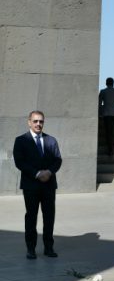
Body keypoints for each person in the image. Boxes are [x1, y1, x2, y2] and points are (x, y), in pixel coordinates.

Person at [13, 110, 62, 259]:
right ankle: (31, 249)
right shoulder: (21, 140)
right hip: (30, 186)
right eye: (35, 121)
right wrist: (37, 174)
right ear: (29, 122)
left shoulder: (51, 140)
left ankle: (49, 247)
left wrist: (49, 172)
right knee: (31, 217)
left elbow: (58, 160)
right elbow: (19, 162)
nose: (38, 124)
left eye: (41, 121)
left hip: (49, 185)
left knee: (49, 217)